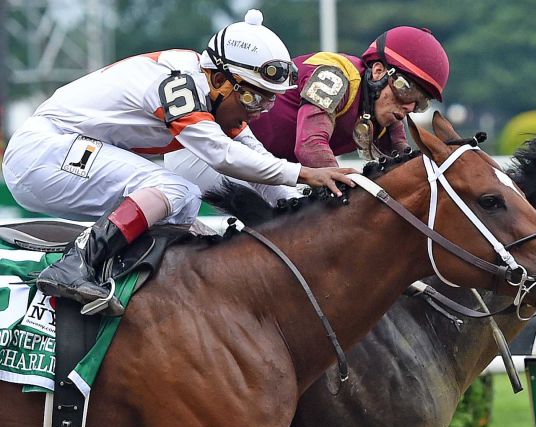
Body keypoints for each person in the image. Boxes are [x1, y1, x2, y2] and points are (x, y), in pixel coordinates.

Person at [2, 10, 355, 316]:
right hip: (43, 151)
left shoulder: (218, 97)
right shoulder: (178, 81)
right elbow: (223, 156)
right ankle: (76, 265)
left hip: (66, 153)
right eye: (252, 97)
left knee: (184, 207)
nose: (260, 112)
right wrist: (307, 172)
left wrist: (317, 215)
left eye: (268, 102)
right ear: (219, 79)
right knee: (175, 188)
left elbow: (260, 167)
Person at [165, 26, 449, 196]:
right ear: (378, 71)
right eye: (407, 90)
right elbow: (311, 148)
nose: (410, 107)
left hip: (263, 165)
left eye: (420, 102)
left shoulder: (388, 110)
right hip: (207, 152)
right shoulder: (336, 76)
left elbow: (406, 167)